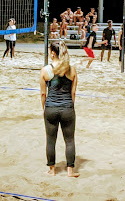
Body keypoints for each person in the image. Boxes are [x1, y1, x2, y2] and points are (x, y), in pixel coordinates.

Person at [39, 41, 80, 178]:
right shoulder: (71, 69)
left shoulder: (45, 70)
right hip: (67, 107)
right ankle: (70, 170)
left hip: (51, 107)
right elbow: (73, 93)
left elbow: (43, 93)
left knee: (51, 139)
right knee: (69, 140)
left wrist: (44, 107)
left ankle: (52, 170)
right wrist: (69, 106)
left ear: (52, 53)